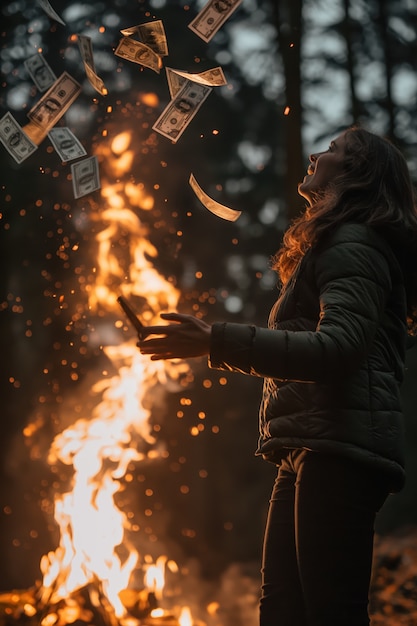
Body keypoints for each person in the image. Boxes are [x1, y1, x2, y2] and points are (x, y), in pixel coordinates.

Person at [137, 126, 417, 626]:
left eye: (332, 150)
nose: (314, 153)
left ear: (356, 173)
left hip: (338, 449)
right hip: (310, 446)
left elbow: (337, 350)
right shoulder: (342, 244)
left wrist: (215, 341)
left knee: (330, 613)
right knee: (283, 613)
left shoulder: (354, 241)